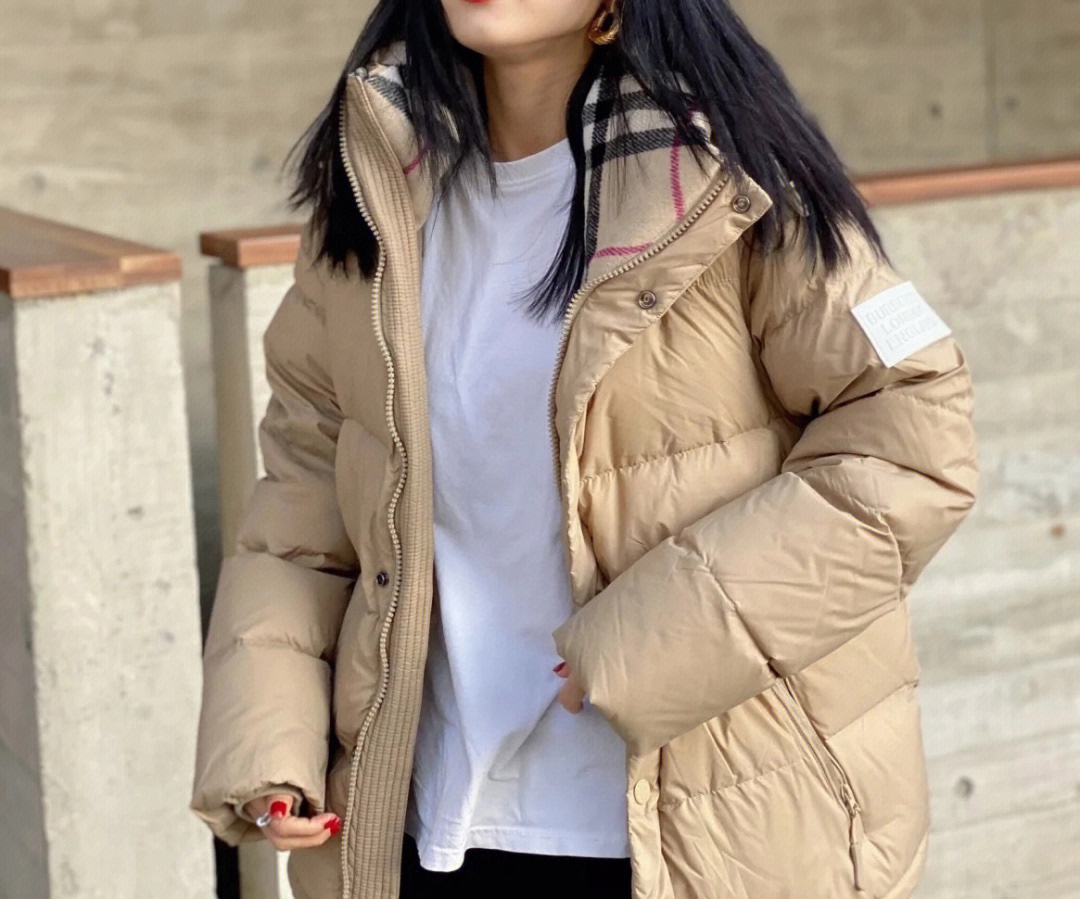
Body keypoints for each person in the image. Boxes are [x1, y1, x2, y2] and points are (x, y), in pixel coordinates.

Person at [190, 1, 979, 897]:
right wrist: (270, 737)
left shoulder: (729, 183)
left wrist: (653, 639)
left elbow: (915, 433)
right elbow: (305, 485)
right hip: (424, 820)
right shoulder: (377, 195)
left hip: (692, 828)